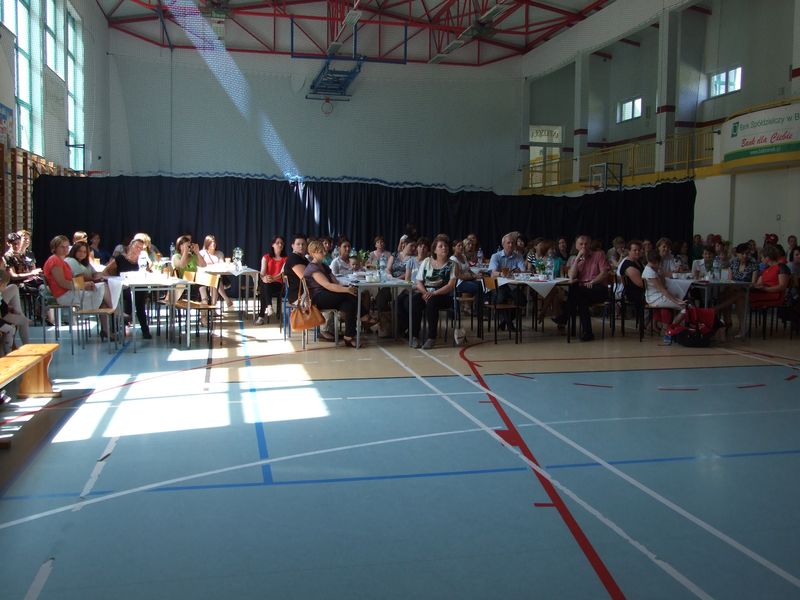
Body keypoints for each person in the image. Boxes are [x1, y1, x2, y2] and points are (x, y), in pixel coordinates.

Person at [304, 240, 373, 348]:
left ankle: (348, 337)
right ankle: (365, 316)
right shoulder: (313, 268)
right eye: (321, 252)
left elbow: (335, 282)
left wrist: (346, 287)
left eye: (324, 251)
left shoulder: (324, 266)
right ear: (313, 253)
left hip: (328, 294)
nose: (324, 253)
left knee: (349, 304)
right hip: (318, 297)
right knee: (349, 294)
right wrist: (346, 290)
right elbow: (327, 285)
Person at [43, 235, 108, 337]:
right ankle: (116, 315)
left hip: (71, 292)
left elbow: (70, 280)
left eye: (66, 246)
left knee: (102, 293)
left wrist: (85, 284)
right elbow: (63, 283)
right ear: (54, 248)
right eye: (62, 247)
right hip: (64, 295)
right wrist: (83, 285)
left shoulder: (62, 261)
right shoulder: (54, 260)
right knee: (102, 287)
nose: (65, 249)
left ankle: (107, 330)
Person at [554, 235, 609, 341]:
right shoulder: (575, 259)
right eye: (581, 244)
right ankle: (588, 333)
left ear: (590, 244)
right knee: (581, 300)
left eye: (586, 244)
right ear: (576, 246)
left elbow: (604, 273)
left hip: (598, 288)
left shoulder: (599, 255)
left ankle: (564, 317)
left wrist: (593, 281)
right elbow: (571, 276)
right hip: (583, 291)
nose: (584, 246)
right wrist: (578, 258)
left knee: (576, 291)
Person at [407, 236, 457, 349]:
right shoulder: (426, 261)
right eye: (441, 246)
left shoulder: (452, 264)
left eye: (446, 246)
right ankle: (414, 336)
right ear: (434, 250)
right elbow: (418, 281)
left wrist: (433, 294)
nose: (444, 248)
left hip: (443, 295)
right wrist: (425, 293)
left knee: (432, 302)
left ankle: (431, 337)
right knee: (415, 301)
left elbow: (450, 285)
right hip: (426, 292)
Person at [104, 236, 153, 339]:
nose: (138, 250)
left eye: (141, 248)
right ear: (130, 245)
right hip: (123, 287)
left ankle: (144, 330)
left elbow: (148, 272)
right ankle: (120, 325)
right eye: (137, 246)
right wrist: (113, 280)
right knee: (128, 295)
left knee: (140, 297)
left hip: (138, 286)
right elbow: (106, 270)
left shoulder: (142, 260)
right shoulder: (121, 258)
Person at [488, 233, 526, 331]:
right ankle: (509, 323)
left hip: (513, 285)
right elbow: (493, 273)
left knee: (522, 301)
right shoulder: (496, 256)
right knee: (501, 298)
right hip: (499, 285)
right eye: (508, 243)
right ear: (503, 244)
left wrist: (518, 271)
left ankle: (505, 321)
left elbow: (523, 271)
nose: (511, 245)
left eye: (512, 243)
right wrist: (502, 274)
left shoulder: (518, 256)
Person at [642, 249, 687, 332]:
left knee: (679, 299)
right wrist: (677, 301)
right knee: (685, 307)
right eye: (655, 263)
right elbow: (663, 290)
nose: (657, 264)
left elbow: (664, 284)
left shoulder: (652, 269)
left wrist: (661, 273)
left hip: (658, 295)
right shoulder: (650, 272)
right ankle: (670, 329)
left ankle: (669, 327)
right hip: (654, 298)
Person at [255, 235, 287, 325]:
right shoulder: (266, 257)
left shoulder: (286, 259)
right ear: (273, 245)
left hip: (279, 284)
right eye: (277, 243)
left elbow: (282, 274)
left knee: (264, 287)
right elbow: (262, 273)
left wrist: (273, 278)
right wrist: (264, 278)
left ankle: (262, 316)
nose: (280, 245)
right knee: (265, 284)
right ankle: (269, 307)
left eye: (282, 243)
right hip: (268, 282)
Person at [749, 245, 790, 309]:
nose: (761, 260)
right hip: (763, 293)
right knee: (742, 294)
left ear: (767, 258)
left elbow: (782, 286)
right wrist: (755, 286)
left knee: (744, 297)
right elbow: (758, 283)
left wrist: (765, 289)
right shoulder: (766, 269)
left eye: (762, 257)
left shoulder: (782, 267)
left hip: (775, 295)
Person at [450, 239, 482, 317]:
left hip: (467, 279)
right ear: (453, 248)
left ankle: (474, 308)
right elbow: (458, 275)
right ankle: (477, 311)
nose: (461, 247)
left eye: (462, 245)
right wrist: (473, 276)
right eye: (459, 246)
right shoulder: (453, 259)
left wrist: (476, 275)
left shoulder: (463, 256)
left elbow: (468, 270)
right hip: (458, 283)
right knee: (479, 287)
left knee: (483, 284)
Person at [199, 235, 233, 308]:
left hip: (217, 277)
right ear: (207, 244)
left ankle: (213, 306)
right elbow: (200, 266)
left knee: (215, 280)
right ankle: (225, 298)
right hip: (204, 277)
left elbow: (221, 265)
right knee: (215, 280)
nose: (213, 244)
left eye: (214, 242)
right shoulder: (202, 253)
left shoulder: (219, 253)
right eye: (211, 242)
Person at [0, 269, 30, 346]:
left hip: (3, 314)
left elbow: (2, 306)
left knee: (23, 321)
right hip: (2, 317)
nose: (5, 288)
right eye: (4, 285)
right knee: (10, 330)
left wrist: (9, 308)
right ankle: (8, 351)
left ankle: (27, 346)